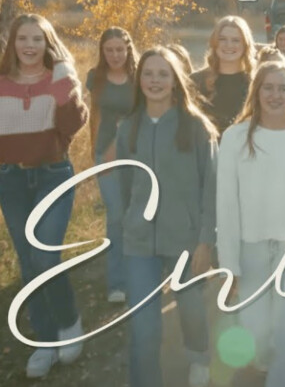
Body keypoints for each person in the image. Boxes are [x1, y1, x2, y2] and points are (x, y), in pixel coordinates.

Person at [0, 13, 89, 379]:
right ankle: (44, 342)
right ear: (11, 43)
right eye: (23, 38)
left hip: (54, 177)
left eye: (37, 39)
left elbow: (72, 125)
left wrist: (64, 83)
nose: (29, 46)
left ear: (48, 44)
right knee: (29, 264)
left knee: (45, 256)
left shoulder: (59, 79)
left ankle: (69, 322)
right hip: (12, 183)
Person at [217, 61, 285, 387]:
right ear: (256, 92)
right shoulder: (235, 137)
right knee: (256, 332)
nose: (275, 95)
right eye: (268, 87)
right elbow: (226, 205)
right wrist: (229, 265)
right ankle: (266, 361)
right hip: (250, 248)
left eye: (283, 88)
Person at [116, 47, 218, 387]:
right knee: (144, 328)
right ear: (139, 80)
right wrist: (130, 223)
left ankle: (199, 355)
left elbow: (210, 188)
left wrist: (206, 240)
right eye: (148, 74)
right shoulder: (128, 128)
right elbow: (126, 185)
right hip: (139, 242)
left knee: (191, 310)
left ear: (176, 80)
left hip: (185, 240)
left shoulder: (196, 127)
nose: (155, 80)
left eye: (163, 74)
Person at [86, 27, 137, 303]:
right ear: (102, 52)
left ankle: (143, 274)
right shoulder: (95, 78)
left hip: (138, 154)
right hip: (105, 155)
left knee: (138, 214)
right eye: (109, 50)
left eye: (120, 49)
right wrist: (96, 151)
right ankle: (117, 282)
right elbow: (94, 116)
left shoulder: (139, 77)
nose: (115, 55)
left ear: (128, 49)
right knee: (116, 215)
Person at [191, 16, 256, 136]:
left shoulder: (256, 84)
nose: (228, 45)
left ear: (245, 45)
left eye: (236, 40)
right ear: (214, 43)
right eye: (222, 39)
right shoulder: (195, 82)